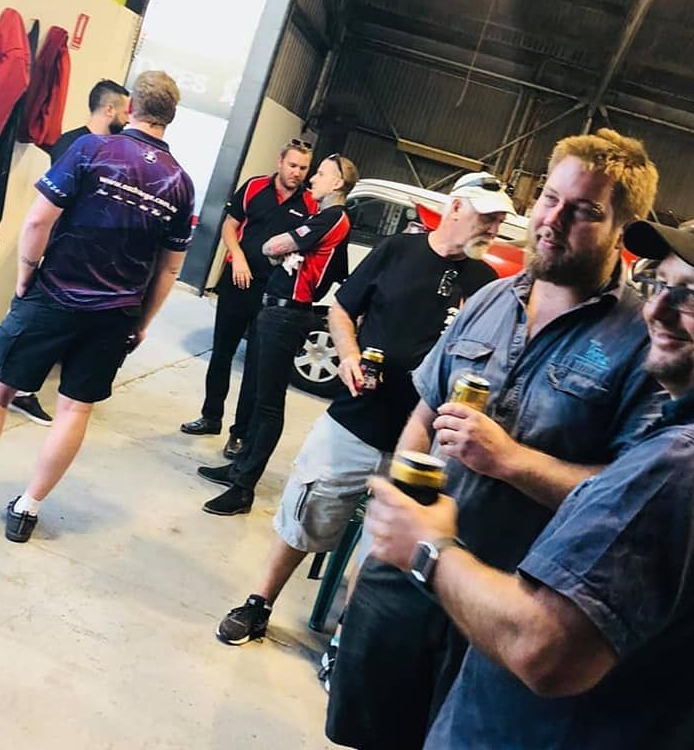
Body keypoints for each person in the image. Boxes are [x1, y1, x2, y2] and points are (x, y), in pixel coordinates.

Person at [326, 129, 663, 750]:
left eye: (586, 210)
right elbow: (423, 417)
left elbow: (633, 501)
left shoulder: (640, 342)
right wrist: (395, 518)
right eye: (550, 200)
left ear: (623, 229)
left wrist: (511, 462)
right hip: (407, 581)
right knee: (363, 733)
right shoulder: (488, 298)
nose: (554, 221)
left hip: (504, 609)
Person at [363, 211, 694, 749]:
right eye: (659, 282)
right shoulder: (494, 298)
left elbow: (543, 648)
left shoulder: (692, 462)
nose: (658, 309)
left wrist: (428, 548)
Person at [213, 172, 513, 648]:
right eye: (487, 218)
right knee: (306, 511)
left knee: (385, 546)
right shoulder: (398, 251)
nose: (493, 229)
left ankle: (344, 642)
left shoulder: (486, 284)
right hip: (356, 417)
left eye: (499, 222)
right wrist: (349, 355)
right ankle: (259, 603)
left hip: (422, 444)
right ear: (456, 209)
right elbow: (340, 310)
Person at [0, 71, 193, 542]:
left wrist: (27, 275)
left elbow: (38, 220)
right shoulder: (179, 183)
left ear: (131, 109)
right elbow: (169, 269)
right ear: (171, 117)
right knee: (74, 411)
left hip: (54, 295)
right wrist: (143, 322)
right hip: (117, 313)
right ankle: (26, 511)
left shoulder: (92, 150)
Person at [0, 79, 132, 428]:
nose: (127, 117)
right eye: (125, 110)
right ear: (109, 109)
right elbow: (53, 208)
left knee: (37, 331)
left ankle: (19, 392)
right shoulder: (77, 145)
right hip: (54, 251)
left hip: (69, 256)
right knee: (15, 321)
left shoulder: (96, 145)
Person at [199, 153, 359, 516]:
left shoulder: (334, 217)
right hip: (272, 307)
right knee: (255, 391)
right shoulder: (319, 216)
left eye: (319, 173)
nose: (311, 178)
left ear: (337, 184)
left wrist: (279, 250)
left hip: (287, 315)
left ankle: (244, 488)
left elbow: (273, 247)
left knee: (268, 403)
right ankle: (238, 468)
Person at [180, 140, 316, 458]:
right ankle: (210, 416)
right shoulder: (254, 187)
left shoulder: (310, 205)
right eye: (292, 165)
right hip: (237, 283)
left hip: (272, 295)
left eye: (303, 168)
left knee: (255, 367)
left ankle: (239, 434)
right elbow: (230, 227)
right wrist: (238, 257)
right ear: (280, 161)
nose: (296, 173)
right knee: (222, 353)